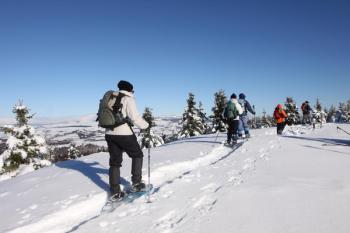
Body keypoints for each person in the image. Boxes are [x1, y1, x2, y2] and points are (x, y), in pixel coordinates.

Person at [105, 80, 149, 200]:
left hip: (109, 133)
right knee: (137, 155)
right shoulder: (128, 99)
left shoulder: (110, 98)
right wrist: (146, 126)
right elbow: (135, 118)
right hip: (124, 134)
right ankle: (136, 184)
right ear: (130, 90)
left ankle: (115, 191)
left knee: (114, 162)